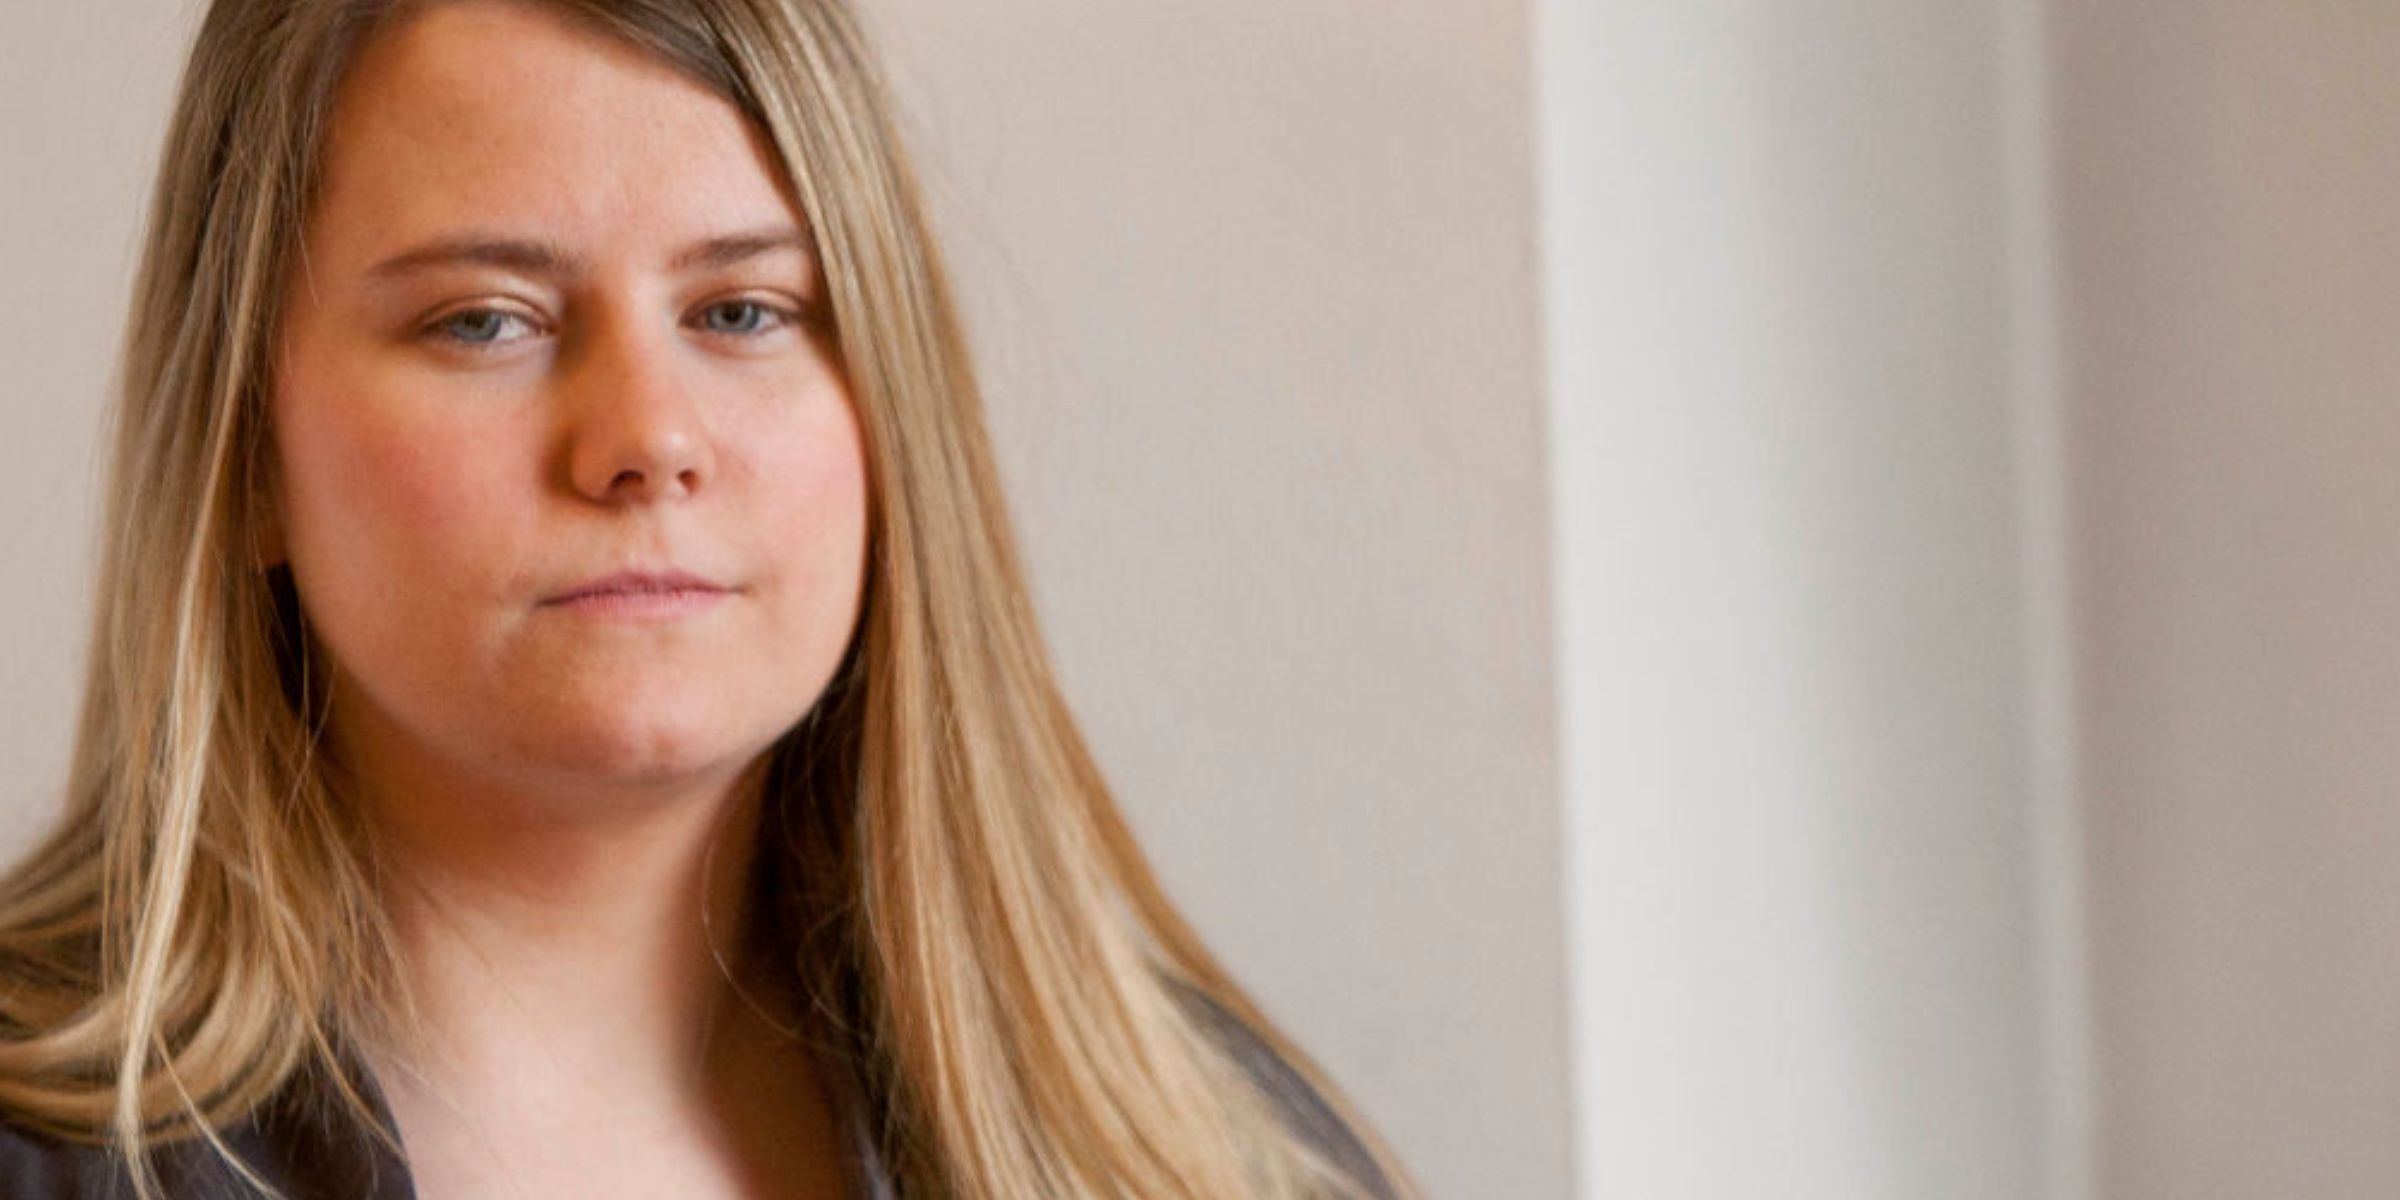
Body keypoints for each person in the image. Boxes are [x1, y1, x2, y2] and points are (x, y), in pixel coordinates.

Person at [0, 1, 1416, 1197]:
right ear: (246, 449)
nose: (647, 439)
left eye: (742, 312)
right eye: (485, 319)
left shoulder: (1218, 1156)